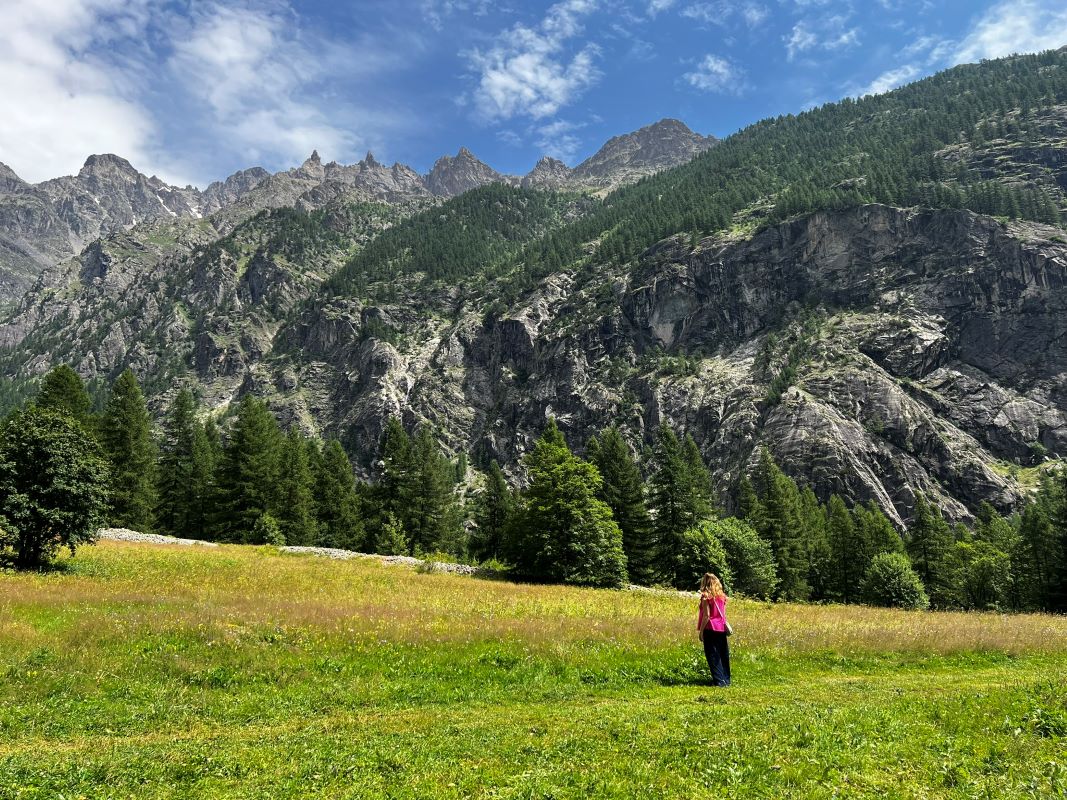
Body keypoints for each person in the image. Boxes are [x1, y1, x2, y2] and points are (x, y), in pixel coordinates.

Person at [697, 572, 731, 686]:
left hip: (710, 628)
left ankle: (718, 681)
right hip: (721, 628)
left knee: (712, 655)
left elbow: (706, 615)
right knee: (723, 654)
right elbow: (723, 614)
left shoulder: (706, 596)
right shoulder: (722, 597)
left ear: (705, 583)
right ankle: (725, 680)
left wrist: (701, 631)